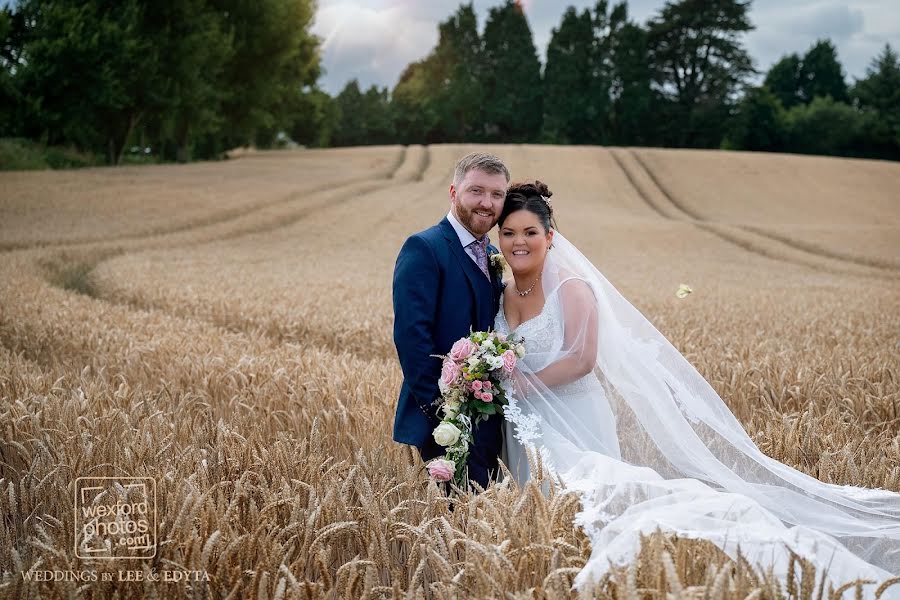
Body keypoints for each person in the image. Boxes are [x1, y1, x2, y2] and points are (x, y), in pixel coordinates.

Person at [493, 181, 900, 596]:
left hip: (576, 416)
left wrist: (528, 384)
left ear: (550, 237)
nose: (518, 242)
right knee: (541, 515)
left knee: (594, 504)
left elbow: (583, 358)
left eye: (529, 232)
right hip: (525, 422)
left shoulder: (572, 288)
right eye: (508, 233)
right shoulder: (502, 291)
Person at [392, 152, 510, 490]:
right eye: (476, 191)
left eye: (497, 194)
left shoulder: (492, 255)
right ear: (453, 192)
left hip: (490, 422)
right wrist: (446, 411)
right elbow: (412, 338)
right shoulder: (424, 248)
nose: (487, 203)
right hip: (442, 426)